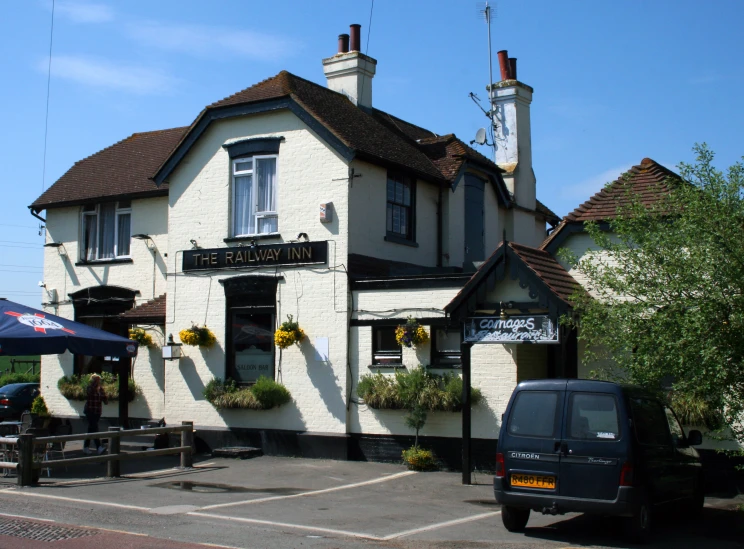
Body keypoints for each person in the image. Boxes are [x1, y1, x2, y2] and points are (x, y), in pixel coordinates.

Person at [83, 373, 107, 455]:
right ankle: (99, 447)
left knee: (91, 429)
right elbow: (89, 393)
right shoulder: (90, 387)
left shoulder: (100, 389)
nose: (98, 381)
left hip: (97, 411)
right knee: (94, 428)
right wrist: (95, 386)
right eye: (96, 380)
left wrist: (105, 398)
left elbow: (104, 399)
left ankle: (86, 447)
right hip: (90, 410)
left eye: (98, 380)